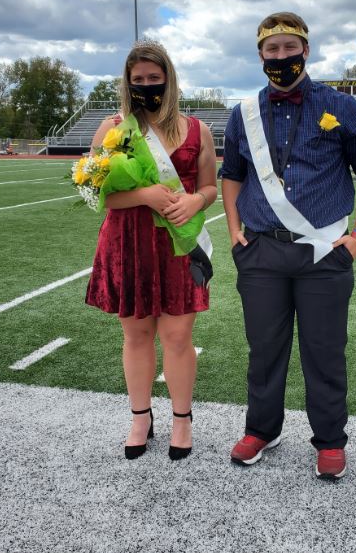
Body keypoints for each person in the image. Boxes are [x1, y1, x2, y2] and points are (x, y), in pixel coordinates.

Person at [221, 12, 356, 480]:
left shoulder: (341, 105)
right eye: (271, 50)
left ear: (306, 50)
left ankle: (330, 440)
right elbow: (231, 175)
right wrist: (234, 231)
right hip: (262, 253)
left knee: (324, 351)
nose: (281, 56)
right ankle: (262, 429)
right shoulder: (244, 113)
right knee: (264, 349)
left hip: (323, 253)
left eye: (289, 47)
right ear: (260, 55)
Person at [85, 39, 217, 461]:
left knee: (178, 337)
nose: (145, 85)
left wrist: (196, 200)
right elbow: (97, 196)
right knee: (137, 334)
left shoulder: (198, 130)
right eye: (137, 79)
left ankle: (182, 419)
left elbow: (211, 186)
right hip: (128, 243)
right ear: (127, 83)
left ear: (169, 80)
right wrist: (144, 195)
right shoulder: (113, 129)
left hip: (179, 247)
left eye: (153, 78)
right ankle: (140, 417)